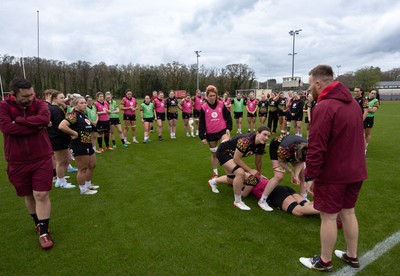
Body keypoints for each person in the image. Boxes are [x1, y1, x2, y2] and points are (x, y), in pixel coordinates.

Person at [299, 65, 367, 272]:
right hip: (356, 170)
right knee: (348, 213)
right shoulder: (354, 104)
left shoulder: (325, 106)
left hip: (334, 173)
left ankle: (324, 261)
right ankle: (352, 255)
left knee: (328, 216)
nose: (310, 89)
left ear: (318, 83)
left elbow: (316, 145)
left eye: (310, 84)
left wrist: (310, 175)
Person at [0, 78, 54, 249]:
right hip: (17, 160)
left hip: (42, 156)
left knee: (41, 194)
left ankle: (44, 232)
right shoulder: (3, 107)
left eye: (32, 94)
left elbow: (45, 120)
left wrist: (20, 121)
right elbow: (8, 128)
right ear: (13, 94)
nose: (30, 98)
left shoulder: (39, 104)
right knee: (28, 195)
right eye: (25, 96)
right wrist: (34, 126)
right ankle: (37, 223)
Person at [207, 126, 271, 210]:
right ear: (257, 133)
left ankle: (213, 181)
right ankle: (237, 201)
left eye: (268, 136)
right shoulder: (245, 141)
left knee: (231, 179)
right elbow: (236, 159)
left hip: (232, 154)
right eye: (264, 134)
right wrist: (250, 170)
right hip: (224, 152)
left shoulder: (261, 144)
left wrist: (259, 174)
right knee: (240, 173)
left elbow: (258, 161)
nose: (266, 138)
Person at [214, 173, 319, 216]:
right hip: (282, 189)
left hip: (276, 193)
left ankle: (327, 209)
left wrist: (237, 190)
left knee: (298, 211)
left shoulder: (250, 178)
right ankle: (328, 206)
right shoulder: (257, 175)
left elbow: (244, 194)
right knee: (305, 205)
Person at [59, 96, 99, 195]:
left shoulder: (83, 114)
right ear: (75, 104)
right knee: (82, 169)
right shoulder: (73, 114)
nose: (84, 104)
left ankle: (88, 184)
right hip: (79, 145)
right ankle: (83, 190)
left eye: (85, 103)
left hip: (88, 143)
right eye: (81, 103)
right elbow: (62, 126)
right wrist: (74, 133)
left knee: (92, 165)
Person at [258, 134, 308, 212]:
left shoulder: (308, 148)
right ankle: (262, 200)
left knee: (303, 174)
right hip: (276, 147)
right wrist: (291, 172)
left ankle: (304, 199)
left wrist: (296, 175)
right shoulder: (284, 149)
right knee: (279, 176)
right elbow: (281, 162)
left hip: (293, 149)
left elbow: (301, 162)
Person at [199, 85, 233, 178]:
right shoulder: (203, 107)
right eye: (210, 95)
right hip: (210, 133)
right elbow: (201, 122)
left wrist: (228, 128)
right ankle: (215, 173)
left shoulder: (221, 104)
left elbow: (228, 117)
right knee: (214, 154)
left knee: (226, 149)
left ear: (216, 95)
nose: (212, 97)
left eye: (214, 95)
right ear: (207, 96)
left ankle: (230, 172)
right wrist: (202, 136)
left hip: (222, 131)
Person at [48, 90, 75, 189]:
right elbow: (60, 127)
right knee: (61, 161)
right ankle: (61, 181)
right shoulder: (56, 110)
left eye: (64, 97)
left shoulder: (50, 108)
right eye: (62, 98)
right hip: (58, 139)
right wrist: (69, 138)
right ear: (55, 99)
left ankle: (60, 179)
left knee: (66, 160)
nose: (64, 100)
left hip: (55, 138)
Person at [364, 89, 379, 155]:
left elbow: (374, 110)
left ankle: (365, 148)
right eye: (372, 93)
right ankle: (361, 147)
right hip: (363, 117)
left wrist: (367, 108)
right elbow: (362, 107)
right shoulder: (365, 99)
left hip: (369, 118)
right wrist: (369, 108)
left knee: (367, 134)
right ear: (369, 93)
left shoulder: (376, 101)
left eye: (375, 93)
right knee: (361, 134)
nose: (373, 94)